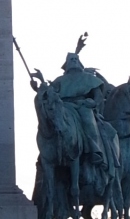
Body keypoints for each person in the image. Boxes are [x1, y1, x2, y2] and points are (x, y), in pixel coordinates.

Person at [49, 36, 111, 169]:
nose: (73, 61)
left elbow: (98, 96)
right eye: (71, 60)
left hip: (82, 106)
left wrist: (93, 103)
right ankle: (47, 156)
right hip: (63, 107)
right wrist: (37, 87)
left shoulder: (88, 78)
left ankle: (95, 150)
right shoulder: (59, 80)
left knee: (88, 121)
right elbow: (49, 94)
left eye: (75, 59)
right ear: (67, 64)